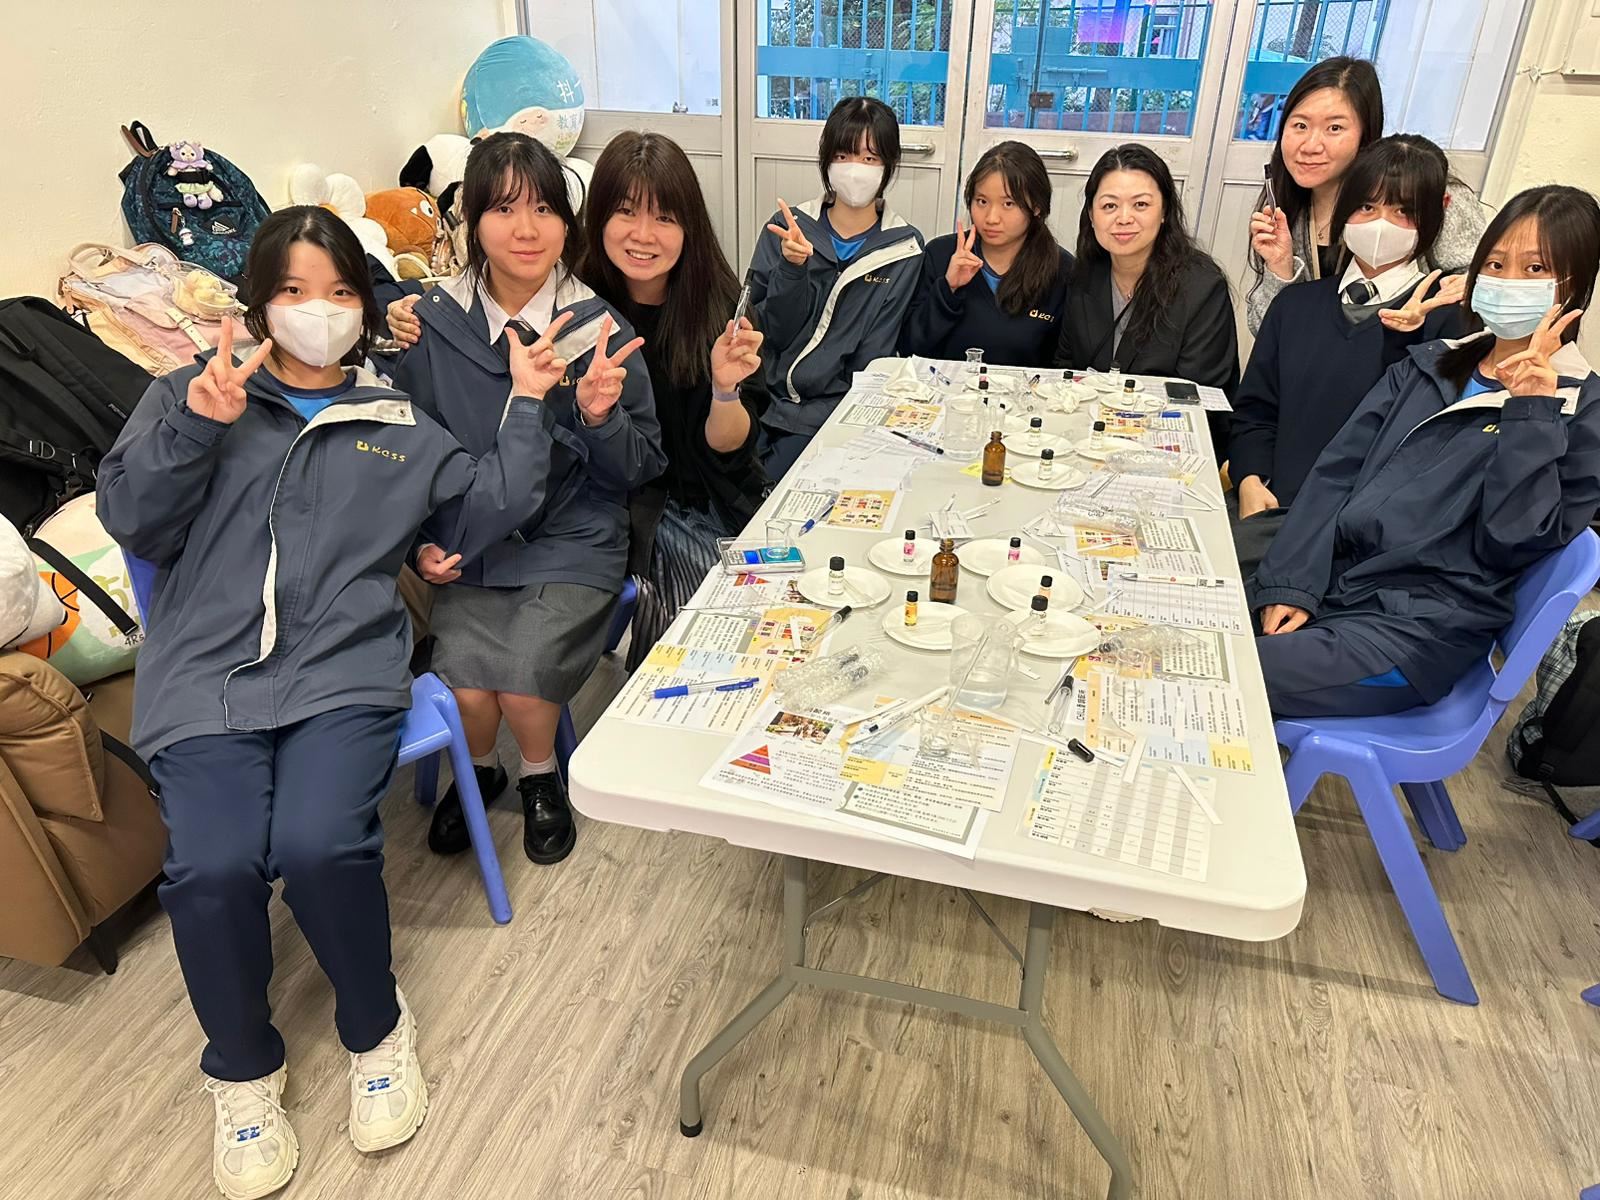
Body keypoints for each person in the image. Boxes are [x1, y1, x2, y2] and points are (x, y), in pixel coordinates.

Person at [96, 206, 569, 1200]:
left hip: (341, 675)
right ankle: (242, 1070)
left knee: (319, 845)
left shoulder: (395, 425)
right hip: (207, 680)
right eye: (295, 291)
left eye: (341, 291)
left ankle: (375, 1026)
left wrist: (528, 403)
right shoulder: (195, 392)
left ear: (364, 304)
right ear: (259, 303)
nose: (320, 311)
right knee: (213, 866)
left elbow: (482, 508)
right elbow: (131, 517)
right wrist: (198, 425)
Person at [383, 133, 664, 866]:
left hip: (573, 537)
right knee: (469, 686)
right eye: (504, 209)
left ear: (567, 225)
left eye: (544, 209)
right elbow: (406, 455)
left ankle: (539, 775)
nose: (527, 229)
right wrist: (419, 545)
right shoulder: (429, 324)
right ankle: (478, 772)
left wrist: (600, 418)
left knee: (529, 675)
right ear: (470, 222)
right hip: (471, 536)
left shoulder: (598, 327)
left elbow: (639, 466)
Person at [1251, 185, 1600, 718]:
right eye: (1495, 264)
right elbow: (1336, 475)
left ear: (1575, 286)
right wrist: (1293, 584)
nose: (1508, 281)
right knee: (1173, 610)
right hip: (1332, 574)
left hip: (1414, 628)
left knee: (1217, 669)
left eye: (1535, 269)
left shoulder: (1582, 409)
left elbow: (1511, 542)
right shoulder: (1430, 363)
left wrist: (1532, 413)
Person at [1229, 134, 1466, 577]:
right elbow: (1256, 411)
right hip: (1269, 514)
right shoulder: (1295, 306)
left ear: (1440, 210)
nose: (1381, 224)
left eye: (1404, 211)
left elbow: (1428, 451)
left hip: (1361, 545)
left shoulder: (1448, 322)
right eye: (1367, 207)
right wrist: (1249, 480)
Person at [578, 130, 769, 669]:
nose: (643, 235)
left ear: (689, 227)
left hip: (701, 499)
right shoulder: (574, 300)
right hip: (611, 506)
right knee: (707, 638)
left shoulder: (719, 309)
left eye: (664, 217)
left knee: (761, 615)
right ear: (599, 217)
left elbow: (729, 451)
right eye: (625, 212)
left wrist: (724, 391)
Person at [747, 96, 924, 476]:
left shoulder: (904, 248)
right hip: (766, 400)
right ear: (826, 160)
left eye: (870, 158)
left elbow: (875, 354)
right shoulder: (788, 228)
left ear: (889, 165)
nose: (855, 170)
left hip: (839, 412)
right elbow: (769, 332)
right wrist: (792, 268)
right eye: (843, 156)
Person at [1245, 56, 1487, 334]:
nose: (1310, 146)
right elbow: (1264, 330)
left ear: (1366, 135)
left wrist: (1465, 291)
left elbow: (1482, 286)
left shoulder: (1427, 195)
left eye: (1334, 128)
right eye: (1300, 125)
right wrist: (1281, 270)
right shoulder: (1284, 207)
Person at [1053, 143, 1239, 454]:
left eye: (1140, 204)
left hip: (1170, 446)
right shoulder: (1084, 276)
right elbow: (1065, 366)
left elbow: (1199, 398)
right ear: (1091, 215)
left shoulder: (1202, 287)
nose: (1124, 218)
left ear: (1164, 211)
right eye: (1109, 206)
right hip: (1089, 440)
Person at [900, 140, 1073, 366]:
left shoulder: (1062, 270)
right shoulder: (940, 255)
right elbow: (909, 346)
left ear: (1037, 207)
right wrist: (948, 289)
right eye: (981, 201)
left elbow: (1066, 363)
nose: (991, 218)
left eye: (1008, 204)